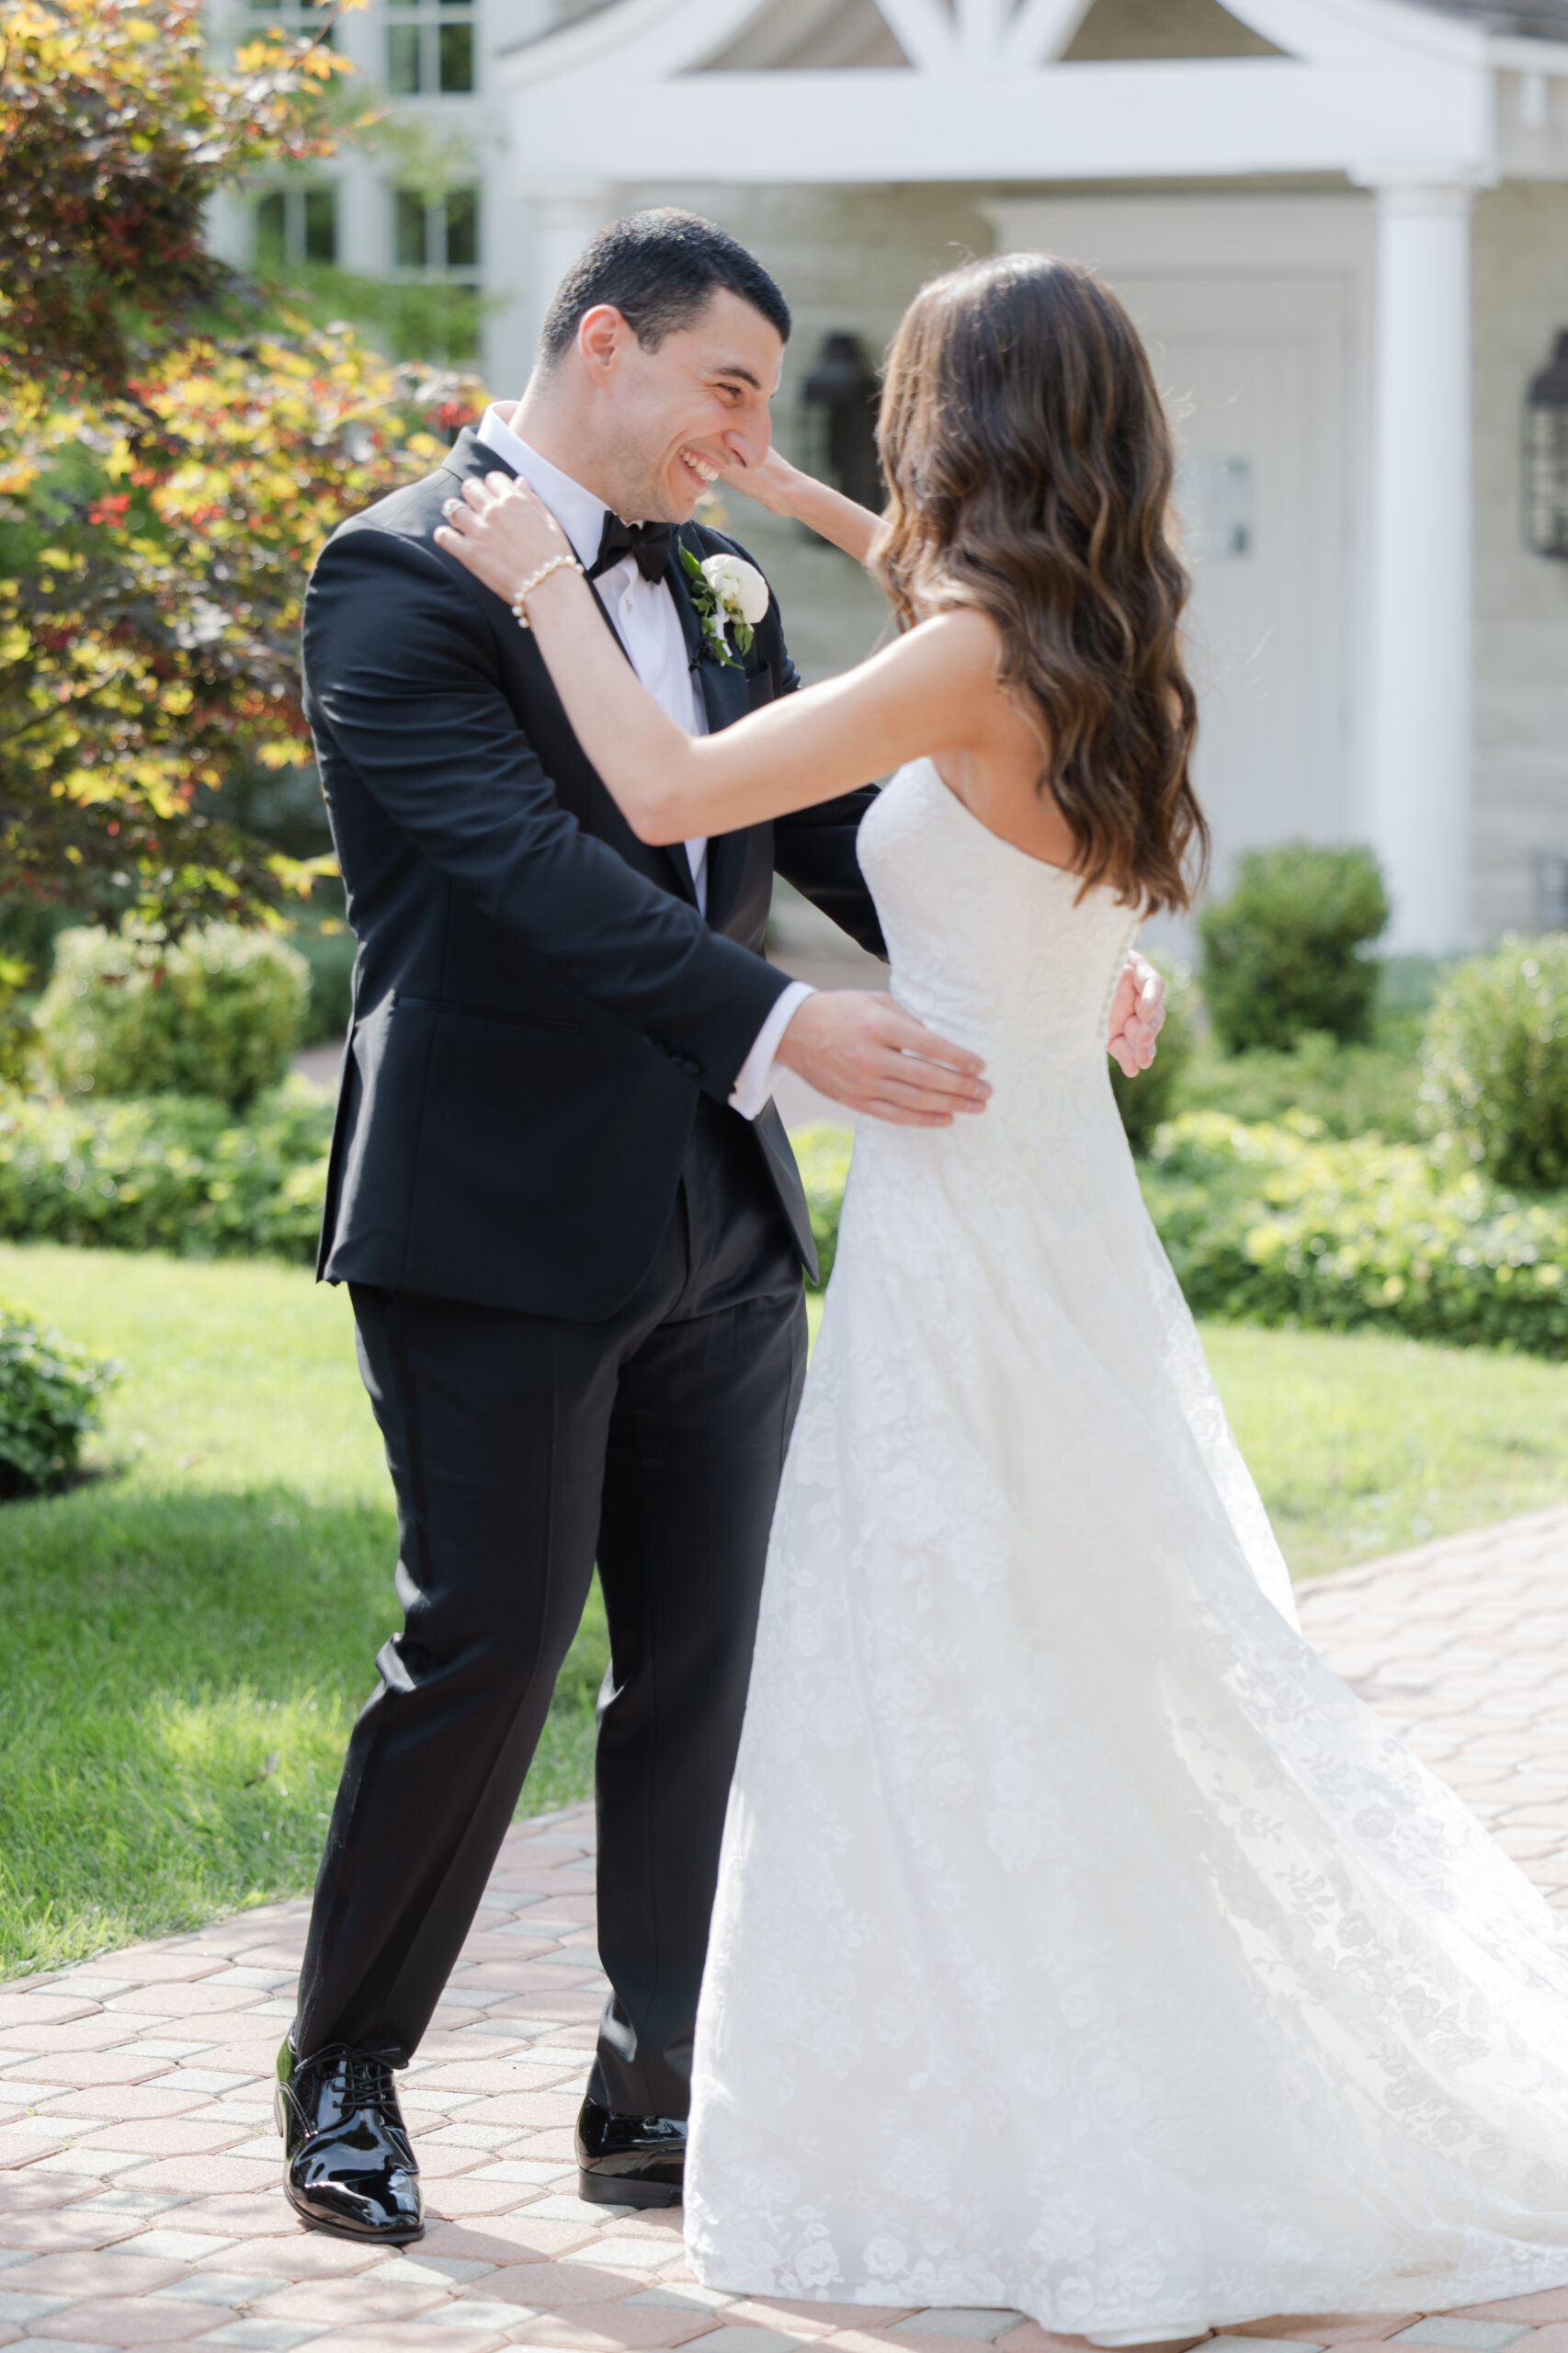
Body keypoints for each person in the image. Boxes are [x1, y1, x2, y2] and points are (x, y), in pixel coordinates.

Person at [437, 246, 1568, 2336]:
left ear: (964, 424)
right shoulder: (1102, 636)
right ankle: (1051, 2081)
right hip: (1050, 1196)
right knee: (1073, 1640)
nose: (880, 430)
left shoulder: (970, 656)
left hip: (966, 1227)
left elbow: (674, 792)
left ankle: (1045, 2118)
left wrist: (525, 578)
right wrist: (794, 505)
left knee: (959, 1654)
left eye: (909, 400)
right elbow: (960, 654)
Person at [279, 211, 1165, 2247]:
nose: (745, 436)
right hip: (492, 1207)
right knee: (481, 1650)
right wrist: (775, 1019)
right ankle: (344, 2060)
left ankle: (651, 2076)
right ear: (607, 345)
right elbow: (518, 865)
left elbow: (845, 833)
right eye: (729, 393)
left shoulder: (715, 574)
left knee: (706, 1667)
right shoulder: (395, 573)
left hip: (722, 1214)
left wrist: (1045, 941)